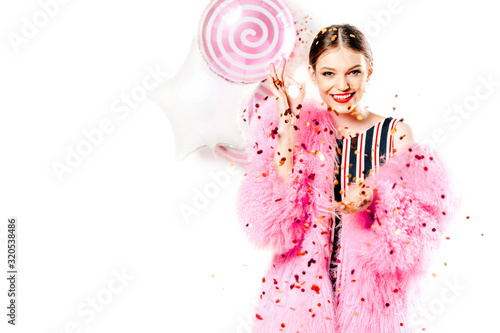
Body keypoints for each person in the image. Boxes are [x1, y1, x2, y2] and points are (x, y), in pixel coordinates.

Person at [236, 23, 458, 333]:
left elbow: (414, 231)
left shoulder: (393, 134)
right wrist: (288, 123)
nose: (342, 85)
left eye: (353, 72)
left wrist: (372, 203)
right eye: (329, 73)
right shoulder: (303, 127)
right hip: (298, 299)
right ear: (313, 74)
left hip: (370, 303)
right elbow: (274, 218)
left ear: (369, 71)